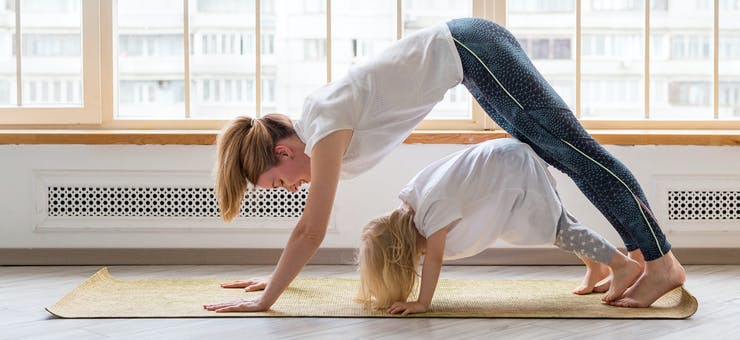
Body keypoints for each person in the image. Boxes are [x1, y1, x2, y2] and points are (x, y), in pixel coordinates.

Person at [203, 17, 684, 313]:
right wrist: (277, 275)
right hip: (471, 57)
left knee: (577, 154)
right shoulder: (321, 125)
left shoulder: (324, 129)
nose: (290, 188)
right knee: (569, 156)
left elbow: (311, 229)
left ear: (283, 153)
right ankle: (638, 258)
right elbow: (308, 229)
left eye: (276, 182)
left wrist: (266, 300)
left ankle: (660, 262)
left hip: (474, 49)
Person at [357, 138, 642, 314]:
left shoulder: (430, 214)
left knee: (557, 228)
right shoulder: (412, 201)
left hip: (511, 167)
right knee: (559, 221)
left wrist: (422, 303)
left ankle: (621, 265)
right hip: (504, 160)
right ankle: (596, 266)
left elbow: (434, 258)